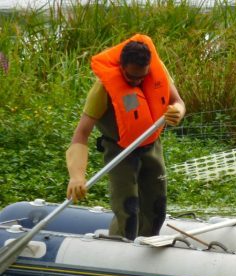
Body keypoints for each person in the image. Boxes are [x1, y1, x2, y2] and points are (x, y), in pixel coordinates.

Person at [65, 34, 185, 240]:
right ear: (121, 67)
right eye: (132, 78)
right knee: (128, 211)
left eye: (142, 77)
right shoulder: (102, 90)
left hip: (151, 148)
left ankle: (146, 250)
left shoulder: (157, 71)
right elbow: (81, 134)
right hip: (120, 152)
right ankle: (118, 250)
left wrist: (177, 111)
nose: (138, 82)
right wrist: (77, 175)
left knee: (157, 208)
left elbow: (178, 102)